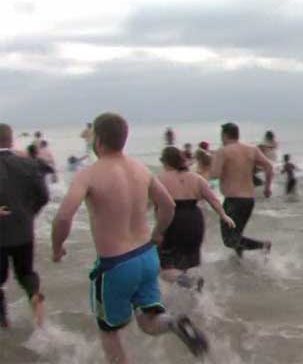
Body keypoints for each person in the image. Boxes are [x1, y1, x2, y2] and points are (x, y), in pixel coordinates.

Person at [51, 113, 208, 363]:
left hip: (115, 265)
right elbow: (167, 205)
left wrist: (57, 248)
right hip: (147, 258)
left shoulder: (89, 174)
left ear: (98, 140)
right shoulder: (140, 169)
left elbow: (63, 217)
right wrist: (157, 233)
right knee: (149, 320)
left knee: (109, 332)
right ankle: (173, 322)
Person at [156, 147, 235, 290]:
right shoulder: (196, 178)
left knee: (162, 267)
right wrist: (223, 215)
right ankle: (192, 303)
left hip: (173, 220)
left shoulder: (161, 179)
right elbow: (213, 199)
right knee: (185, 263)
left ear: (166, 162)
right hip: (194, 220)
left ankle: (189, 282)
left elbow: (148, 203)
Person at [0, 123, 50, 328]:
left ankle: (3, 324)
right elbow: (43, 196)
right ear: (11, 140)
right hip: (23, 231)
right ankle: (35, 298)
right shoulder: (28, 164)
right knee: (27, 273)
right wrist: (29, 213)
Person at [211, 122, 273, 257]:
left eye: (221, 136)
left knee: (229, 240)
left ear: (225, 135)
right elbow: (269, 166)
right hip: (248, 200)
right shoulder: (251, 149)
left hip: (233, 201)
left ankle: (263, 245)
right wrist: (267, 188)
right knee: (236, 235)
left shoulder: (223, 150)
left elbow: (214, 174)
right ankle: (240, 263)